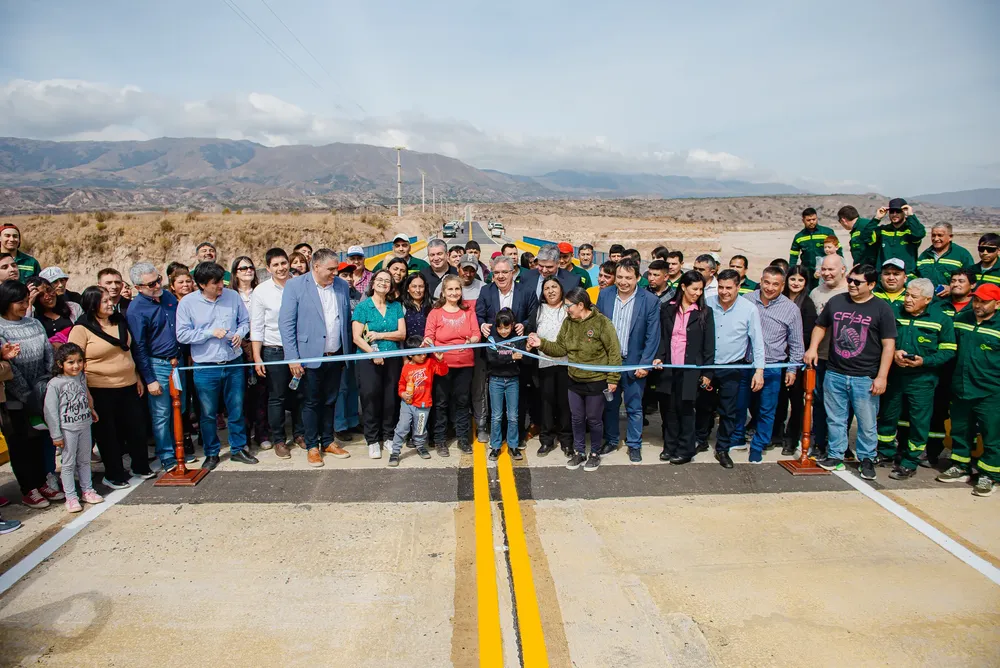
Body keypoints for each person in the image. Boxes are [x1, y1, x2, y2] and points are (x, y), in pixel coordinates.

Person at [804, 264, 897, 479]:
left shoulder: (882, 309)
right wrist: (813, 348)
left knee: (866, 422)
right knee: (835, 418)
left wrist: (882, 376)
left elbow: (888, 345)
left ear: (872, 284)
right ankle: (836, 454)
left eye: (858, 282)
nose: (852, 285)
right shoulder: (837, 302)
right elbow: (821, 326)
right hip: (835, 372)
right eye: (851, 280)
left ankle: (866, 458)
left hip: (865, 376)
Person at [528, 288, 621, 472]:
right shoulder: (568, 323)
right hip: (574, 380)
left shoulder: (602, 323)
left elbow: (614, 352)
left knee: (594, 419)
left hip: (596, 381)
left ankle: (594, 453)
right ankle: (579, 451)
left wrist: (613, 378)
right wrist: (542, 344)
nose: (566, 309)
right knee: (577, 418)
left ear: (581, 305)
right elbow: (560, 349)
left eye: (569, 306)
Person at [68, 286, 153, 485]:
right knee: (108, 434)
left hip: (129, 385)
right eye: (104, 301)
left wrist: (137, 377)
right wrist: (86, 393)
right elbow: (74, 363)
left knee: (136, 428)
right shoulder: (81, 329)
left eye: (110, 300)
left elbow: (128, 351)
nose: (110, 303)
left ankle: (139, 466)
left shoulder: (120, 321)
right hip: (100, 388)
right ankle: (113, 474)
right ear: (92, 305)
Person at [176, 262, 257, 470]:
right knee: (208, 412)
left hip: (234, 362)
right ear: (202, 284)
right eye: (215, 283)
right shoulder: (187, 303)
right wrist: (209, 333)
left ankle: (238, 448)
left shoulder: (232, 296)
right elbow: (182, 335)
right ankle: (212, 452)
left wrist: (240, 334)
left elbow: (245, 322)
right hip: (206, 367)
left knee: (236, 408)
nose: (221, 286)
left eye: (222, 281)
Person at [873, 278, 956, 480]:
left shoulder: (941, 319)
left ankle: (910, 461)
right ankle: (886, 452)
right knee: (888, 416)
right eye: (907, 295)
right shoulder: (894, 313)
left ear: (927, 299)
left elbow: (949, 350)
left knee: (919, 422)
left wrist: (924, 361)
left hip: (922, 381)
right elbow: (881, 339)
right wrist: (893, 354)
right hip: (896, 377)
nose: (907, 300)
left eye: (913, 296)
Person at [278, 249, 353, 467]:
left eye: (335, 269)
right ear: (316, 266)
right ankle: (312, 446)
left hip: (335, 355)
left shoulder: (340, 286)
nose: (334, 273)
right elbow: (287, 324)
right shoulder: (295, 286)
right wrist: (292, 358)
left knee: (330, 400)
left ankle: (328, 440)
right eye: (330, 269)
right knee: (310, 402)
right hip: (309, 357)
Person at [125, 261, 196, 472]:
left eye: (158, 280)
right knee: (162, 413)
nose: (157, 285)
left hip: (178, 361)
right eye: (151, 284)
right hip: (158, 364)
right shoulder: (136, 310)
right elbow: (139, 347)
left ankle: (179, 448)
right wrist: (150, 379)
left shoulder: (168, 297)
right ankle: (166, 455)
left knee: (181, 407)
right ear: (138, 287)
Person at [0, 280, 61, 507]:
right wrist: (27, 394)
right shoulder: (1, 328)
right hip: (15, 399)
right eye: (19, 302)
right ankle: (29, 488)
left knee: (40, 441)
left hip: (41, 389)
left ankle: (42, 481)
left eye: (26, 300)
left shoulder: (34, 323)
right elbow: (9, 368)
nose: (25, 305)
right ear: (6, 302)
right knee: (20, 444)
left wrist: (46, 385)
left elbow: (48, 353)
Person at [937, 283, 1000, 496]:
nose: (978, 305)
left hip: (991, 391)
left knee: (992, 435)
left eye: (984, 301)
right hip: (962, 387)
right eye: (976, 300)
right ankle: (960, 465)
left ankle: (989, 475)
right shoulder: (962, 320)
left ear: (997, 303)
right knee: (960, 429)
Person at [596, 259, 660, 463]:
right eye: (620, 277)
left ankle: (634, 444)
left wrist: (645, 363)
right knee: (610, 405)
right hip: (610, 364)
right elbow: (597, 328)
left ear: (638, 279)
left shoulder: (649, 300)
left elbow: (652, 336)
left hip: (634, 364)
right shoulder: (605, 295)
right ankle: (612, 440)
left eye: (628, 278)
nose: (623, 282)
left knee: (634, 407)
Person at [738, 266, 803, 462]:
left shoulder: (791, 309)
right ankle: (737, 438)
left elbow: (796, 343)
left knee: (768, 409)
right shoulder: (747, 300)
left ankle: (758, 445)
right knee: (743, 405)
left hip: (773, 366)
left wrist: (792, 368)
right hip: (746, 364)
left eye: (775, 284)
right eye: (766, 282)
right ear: (761, 280)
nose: (770, 287)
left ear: (783, 286)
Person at [651, 271, 715, 465]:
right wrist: (658, 358)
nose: (697, 293)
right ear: (683, 287)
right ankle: (669, 447)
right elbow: (662, 338)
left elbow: (708, 345)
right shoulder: (667, 309)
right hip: (670, 368)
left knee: (686, 410)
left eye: (700, 290)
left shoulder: (704, 312)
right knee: (669, 410)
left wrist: (707, 372)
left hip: (690, 370)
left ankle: (686, 449)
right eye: (694, 289)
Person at [703, 269, 765, 468]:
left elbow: (757, 342)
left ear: (738, 287)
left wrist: (759, 370)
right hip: (709, 366)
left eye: (729, 288)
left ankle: (722, 448)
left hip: (733, 367)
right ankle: (701, 440)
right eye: (720, 287)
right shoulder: (707, 302)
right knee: (704, 406)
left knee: (729, 410)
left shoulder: (749, 309)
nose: (724, 292)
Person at [249, 249, 303, 459]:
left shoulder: (299, 285)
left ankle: (300, 434)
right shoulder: (261, 291)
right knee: (277, 397)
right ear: (268, 268)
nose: (281, 268)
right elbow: (257, 327)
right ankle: (279, 439)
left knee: (300, 394)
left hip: (299, 350)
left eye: (283, 263)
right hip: (273, 350)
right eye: (276, 265)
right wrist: (257, 357)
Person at [477, 255, 537, 443]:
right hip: (495, 358)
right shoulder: (486, 292)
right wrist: (482, 325)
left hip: (518, 357)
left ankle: (515, 438)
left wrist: (524, 325)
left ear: (513, 272)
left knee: (517, 402)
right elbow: (478, 315)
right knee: (496, 405)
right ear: (492, 275)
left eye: (505, 272)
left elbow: (533, 315)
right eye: (497, 273)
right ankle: (497, 437)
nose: (501, 276)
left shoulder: (526, 292)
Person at [352, 268, 406, 459]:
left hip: (392, 358)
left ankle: (389, 436)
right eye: (380, 280)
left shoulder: (396, 307)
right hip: (368, 360)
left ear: (391, 286)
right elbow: (357, 337)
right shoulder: (363, 307)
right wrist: (373, 352)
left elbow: (402, 334)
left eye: (387, 281)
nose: (383, 283)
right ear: (372, 283)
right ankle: (373, 440)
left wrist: (381, 335)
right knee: (370, 397)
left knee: (390, 398)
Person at [424, 275, 480, 456]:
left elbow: (476, 334)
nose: (454, 292)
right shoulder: (435, 313)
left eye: (457, 289)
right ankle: (440, 440)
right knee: (441, 402)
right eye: (450, 289)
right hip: (442, 364)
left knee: (463, 402)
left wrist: (469, 341)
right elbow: (428, 336)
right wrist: (434, 351)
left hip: (464, 364)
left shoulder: (468, 311)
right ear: (443, 292)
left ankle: (463, 439)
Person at [44, 343, 103, 512]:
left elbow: (86, 394)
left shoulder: (81, 377)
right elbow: (50, 412)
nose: (76, 365)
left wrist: (91, 410)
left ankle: (87, 490)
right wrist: (56, 435)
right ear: (60, 364)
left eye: (79, 361)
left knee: (84, 460)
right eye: (70, 362)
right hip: (67, 429)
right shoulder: (55, 384)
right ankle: (70, 496)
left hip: (85, 425)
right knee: (68, 463)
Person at [772, 265, 818, 456]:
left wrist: (796, 356)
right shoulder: (778, 300)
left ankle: (791, 438)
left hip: (798, 360)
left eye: (800, 280)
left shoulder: (806, 304)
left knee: (797, 401)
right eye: (793, 279)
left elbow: (805, 334)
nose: (796, 283)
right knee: (779, 398)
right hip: (778, 358)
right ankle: (776, 434)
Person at [806, 255, 849, 458]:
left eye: (831, 269)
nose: (827, 273)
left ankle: (841, 443)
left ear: (843, 270)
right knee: (820, 402)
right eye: (824, 269)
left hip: (844, 358)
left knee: (843, 404)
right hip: (820, 356)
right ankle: (820, 441)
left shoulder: (851, 291)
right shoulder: (816, 292)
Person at [529, 277, 572, 457]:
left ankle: (566, 440)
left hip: (566, 363)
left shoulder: (568, 309)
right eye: (547, 288)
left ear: (561, 289)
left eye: (554, 287)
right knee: (546, 403)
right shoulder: (538, 310)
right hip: (544, 363)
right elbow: (530, 331)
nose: (551, 291)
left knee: (565, 403)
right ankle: (546, 440)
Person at [390, 336, 447, 466]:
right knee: (402, 427)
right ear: (410, 355)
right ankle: (395, 451)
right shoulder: (406, 368)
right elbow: (401, 385)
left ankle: (420, 445)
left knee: (420, 428)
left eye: (424, 352)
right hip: (407, 404)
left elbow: (443, 372)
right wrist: (403, 394)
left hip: (423, 405)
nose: (423, 356)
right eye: (419, 354)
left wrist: (441, 360)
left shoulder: (430, 363)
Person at [231, 256, 268, 450]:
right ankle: (244, 435)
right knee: (240, 394)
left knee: (261, 391)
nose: (248, 271)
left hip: (260, 343)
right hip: (238, 346)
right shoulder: (230, 295)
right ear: (235, 273)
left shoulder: (260, 292)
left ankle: (261, 433)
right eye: (242, 268)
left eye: (251, 267)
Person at [485, 309, 526, 460]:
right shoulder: (491, 339)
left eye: (506, 327)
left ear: (512, 325)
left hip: (513, 380)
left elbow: (522, 356)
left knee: (513, 415)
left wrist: (518, 355)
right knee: (496, 416)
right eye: (500, 327)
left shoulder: (517, 338)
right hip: (495, 380)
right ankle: (495, 446)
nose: (503, 331)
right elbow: (492, 359)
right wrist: (511, 357)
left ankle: (513, 445)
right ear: (496, 326)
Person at [915, 223, 975, 296]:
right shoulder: (924, 256)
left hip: (950, 302)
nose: (936, 239)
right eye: (933, 235)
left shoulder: (962, 255)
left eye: (940, 235)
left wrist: (952, 289)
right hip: (927, 302)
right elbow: (917, 277)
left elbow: (971, 281)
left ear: (950, 237)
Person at [789, 207, 841, 288]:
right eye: (808, 220)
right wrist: (791, 272)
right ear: (803, 220)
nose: (812, 222)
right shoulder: (799, 237)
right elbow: (793, 256)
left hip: (825, 272)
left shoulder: (827, 232)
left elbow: (838, 250)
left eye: (814, 219)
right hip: (807, 273)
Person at [870, 199, 925, 274]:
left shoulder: (911, 230)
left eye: (898, 211)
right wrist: (876, 218)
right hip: (884, 277)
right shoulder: (883, 230)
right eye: (892, 212)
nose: (894, 214)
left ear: (904, 212)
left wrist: (911, 215)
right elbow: (864, 237)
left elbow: (919, 234)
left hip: (906, 277)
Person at [29, 277, 82, 344]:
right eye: (41, 295)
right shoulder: (32, 315)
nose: (48, 297)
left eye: (49, 290)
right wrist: (29, 303)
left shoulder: (73, 308)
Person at [401, 272, 432, 340]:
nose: (418, 290)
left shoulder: (432, 306)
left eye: (421, 286)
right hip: (409, 348)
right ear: (408, 288)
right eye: (414, 286)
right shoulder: (402, 307)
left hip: (429, 348)